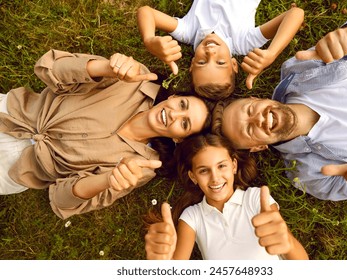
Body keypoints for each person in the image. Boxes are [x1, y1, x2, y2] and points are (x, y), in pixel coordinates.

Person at [212, 5, 347, 218]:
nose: (258, 118)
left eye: (250, 110)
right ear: (258, 147)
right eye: (249, 130)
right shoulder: (309, 176)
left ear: (256, 98)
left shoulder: (300, 68)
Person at [0, 49, 213, 219]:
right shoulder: (136, 79)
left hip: (16, 169)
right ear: (173, 96)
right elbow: (49, 68)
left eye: (184, 123)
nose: (175, 114)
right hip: (12, 112)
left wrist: (108, 180)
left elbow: (61, 200)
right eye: (181, 104)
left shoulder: (142, 167)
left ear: (179, 139)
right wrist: (106, 68)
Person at [144, 133, 308, 260]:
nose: (215, 178)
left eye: (221, 166)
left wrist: (288, 242)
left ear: (234, 166)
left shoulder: (255, 199)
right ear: (193, 177)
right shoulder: (192, 217)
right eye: (203, 170)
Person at [137, 1, 304, 100]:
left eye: (202, 62)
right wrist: (272, 54)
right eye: (220, 62)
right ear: (234, 64)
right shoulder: (242, 42)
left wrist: (149, 40)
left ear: (192, 64)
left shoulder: (188, 31)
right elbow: (295, 14)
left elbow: (146, 12)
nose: (211, 53)